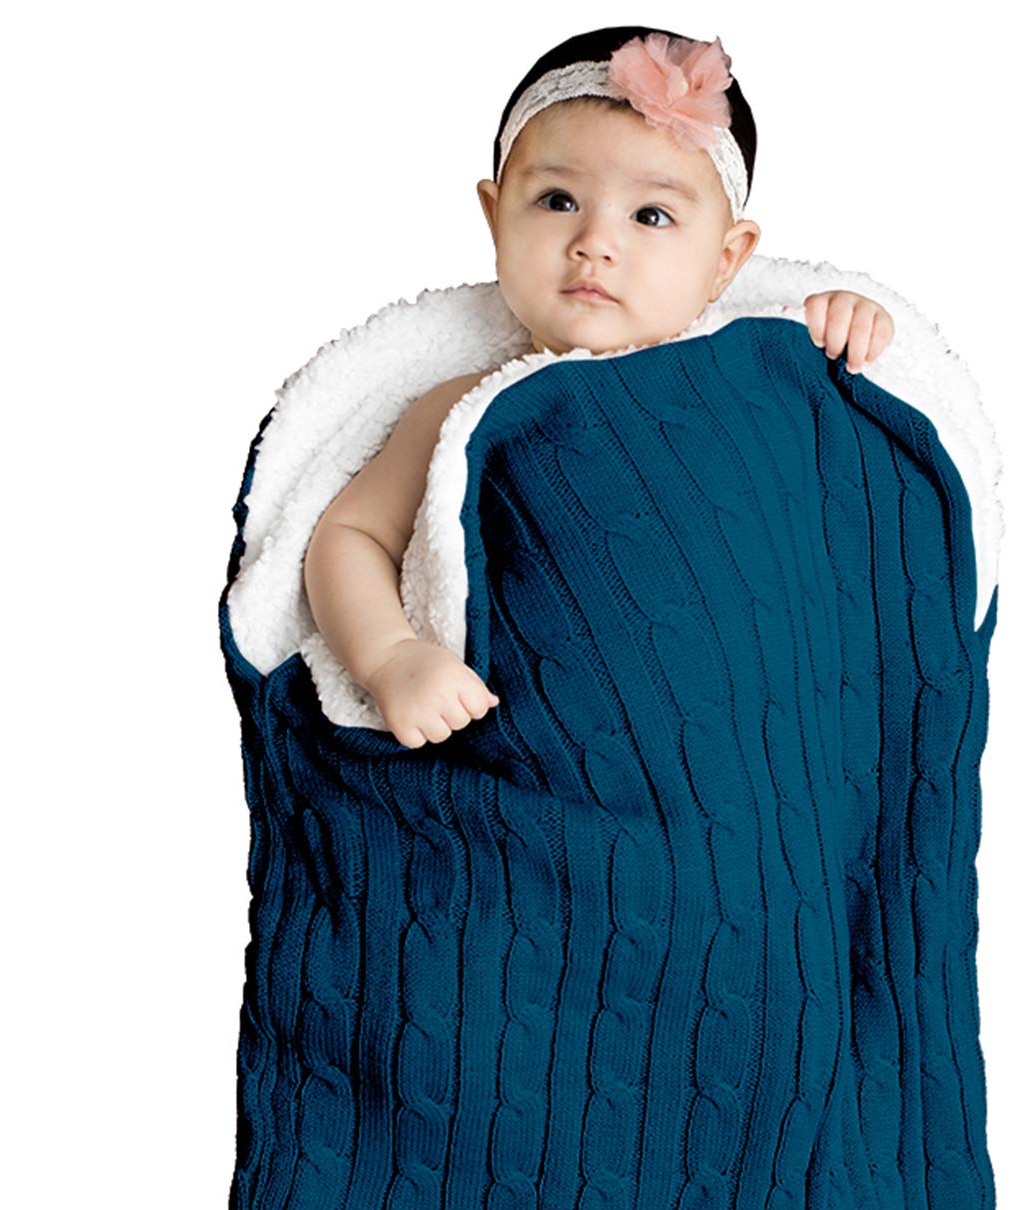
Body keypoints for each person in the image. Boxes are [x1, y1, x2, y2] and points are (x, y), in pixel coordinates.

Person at [304, 26, 896, 749]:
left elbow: (849, 509)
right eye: (558, 200)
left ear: (726, 259)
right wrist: (391, 657)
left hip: (748, 741)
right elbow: (350, 535)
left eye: (651, 215)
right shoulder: (470, 409)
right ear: (495, 216)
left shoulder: (762, 378)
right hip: (548, 750)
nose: (595, 242)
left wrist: (842, 328)